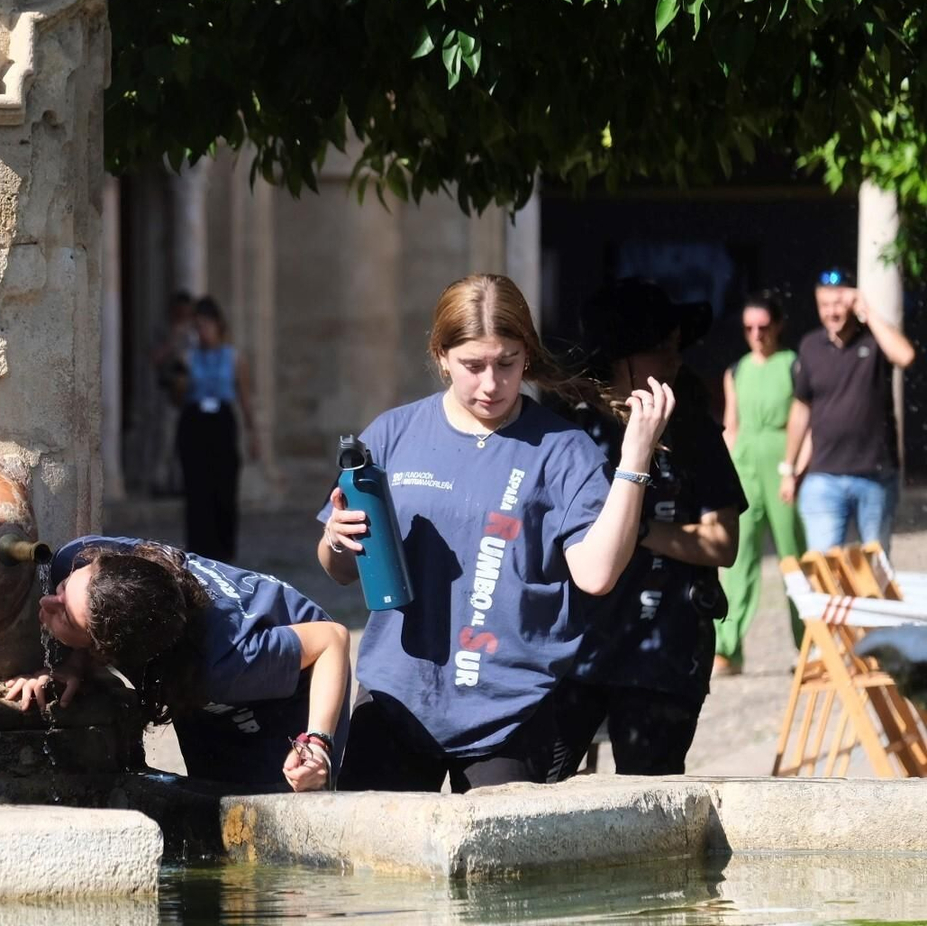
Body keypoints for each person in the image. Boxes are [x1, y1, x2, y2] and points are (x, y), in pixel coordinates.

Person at [318, 273, 673, 792]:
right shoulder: (392, 434)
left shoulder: (564, 450)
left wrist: (635, 459)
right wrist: (336, 540)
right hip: (397, 699)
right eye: (473, 366)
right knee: (372, 869)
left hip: (511, 711)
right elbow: (339, 570)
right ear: (441, 356)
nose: (491, 384)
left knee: (501, 875)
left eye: (506, 363)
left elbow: (596, 573)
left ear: (526, 355)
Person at [550, 280, 745, 777]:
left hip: (664, 654)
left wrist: (633, 532)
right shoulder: (571, 434)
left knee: (648, 798)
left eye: (676, 347)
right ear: (621, 360)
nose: (675, 359)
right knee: (539, 787)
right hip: (575, 653)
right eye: (662, 348)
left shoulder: (692, 428)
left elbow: (723, 543)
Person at [4, 535, 352, 792]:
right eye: (64, 589)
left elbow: (332, 639)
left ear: (107, 651)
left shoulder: (225, 664)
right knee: (206, 801)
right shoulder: (77, 559)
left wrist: (317, 744)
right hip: (197, 667)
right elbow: (90, 612)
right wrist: (69, 664)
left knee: (277, 811)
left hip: (294, 694)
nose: (48, 601)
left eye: (64, 614)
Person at [782, 267, 916, 553]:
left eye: (839, 304)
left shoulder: (874, 339)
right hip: (824, 477)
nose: (832, 313)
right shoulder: (810, 346)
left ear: (853, 304)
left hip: (875, 476)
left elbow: (905, 356)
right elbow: (801, 410)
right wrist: (789, 469)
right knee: (825, 569)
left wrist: (869, 312)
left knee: (876, 571)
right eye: (825, 305)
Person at [715, 292, 807, 674]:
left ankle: (808, 647)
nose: (756, 334)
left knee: (795, 560)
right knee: (736, 558)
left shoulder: (795, 366)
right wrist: (720, 474)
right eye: (749, 327)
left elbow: (807, 420)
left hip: (783, 461)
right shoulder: (736, 371)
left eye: (763, 327)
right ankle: (727, 647)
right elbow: (731, 426)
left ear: (778, 326)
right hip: (745, 466)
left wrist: (796, 468)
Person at [177, 296, 260, 562]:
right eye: (197, 326)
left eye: (205, 325)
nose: (202, 332)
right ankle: (198, 550)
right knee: (197, 490)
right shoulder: (188, 357)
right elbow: (177, 395)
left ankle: (225, 552)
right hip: (195, 422)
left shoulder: (234, 358)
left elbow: (244, 397)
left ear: (217, 325)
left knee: (224, 489)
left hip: (222, 423)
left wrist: (253, 433)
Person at [149, 291, 197, 496]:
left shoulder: (195, 333)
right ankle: (159, 481)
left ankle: (181, 482)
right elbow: (155, 358)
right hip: (168, 390)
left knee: (186, 439)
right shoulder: (163, 330)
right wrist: (173, 340)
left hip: (189, 391)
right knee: (165, 438)